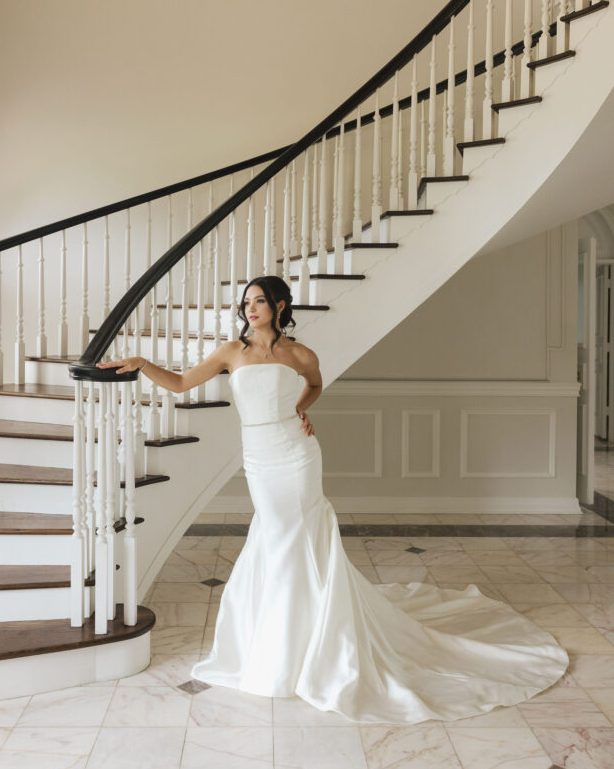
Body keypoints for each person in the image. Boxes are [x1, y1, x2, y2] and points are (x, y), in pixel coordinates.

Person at [98, 275, 569, 724]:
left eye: (258, 301)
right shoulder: (230, 352)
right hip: (260, 458)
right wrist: (141, 364)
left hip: (297, 454)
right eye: (246, 303)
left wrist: (299, 409)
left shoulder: (300, 353)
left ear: (279, 306)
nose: (250, 309)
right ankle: (282, 644)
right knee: (276, 537)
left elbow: (316, 385)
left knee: (298, 537)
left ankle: (301, 647)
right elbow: (181, 384)